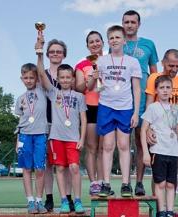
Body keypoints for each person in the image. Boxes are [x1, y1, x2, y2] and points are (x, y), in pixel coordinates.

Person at [88, 25, 141, 197]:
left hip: (125, 108)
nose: (114, 40)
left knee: (124, 145)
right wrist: (96, 80)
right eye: (111, 38)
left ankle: (126, 184)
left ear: (124, 41)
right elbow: (98, 89)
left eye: (118, 37)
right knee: (108, 146)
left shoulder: (132, 62)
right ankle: (106, 183)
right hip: (106, 106)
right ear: (108, 42)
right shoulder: (101, 62)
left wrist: (135, 113)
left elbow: (136, 89)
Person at [36, 37, 87, 214]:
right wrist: (39, 52)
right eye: (62, 78)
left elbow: (84, 118)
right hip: (52, 130)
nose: (65, 80)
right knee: (57, 166)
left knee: (73, 167)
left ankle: (76, 199)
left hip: (72, 134)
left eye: (68, 77)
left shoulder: (77, 95)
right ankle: (60, 200)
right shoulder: (53, 91)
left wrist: (82, 137)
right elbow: (41, 74)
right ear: (58, 78)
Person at [122, 10, 159, 196]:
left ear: (138, 24)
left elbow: (154, 74)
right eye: (126, 22)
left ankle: (138, 182)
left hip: (143, 100)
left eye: (133, 22)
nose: (129, 25)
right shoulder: (117, 43)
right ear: (122, 24)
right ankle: (125, 182)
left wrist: (157, 99)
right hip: (121, 101)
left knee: (140, 141)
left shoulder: (148, 44)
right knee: (122, 143)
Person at [141, 75, 178, 217]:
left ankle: (170, 211)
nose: (165, 90)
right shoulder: (153, 107)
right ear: (157, 91)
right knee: (160, 183)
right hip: (158, 150)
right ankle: (161, 211)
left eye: (168, 87)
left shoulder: (176, 109)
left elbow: (176, 131)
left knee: (171, 184)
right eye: (162, 88)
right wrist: (146, 153)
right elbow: (143, 130)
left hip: (173, 152)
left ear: (172, 90)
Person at [43, 39, 74, 212]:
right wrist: (39, 50)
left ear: (64, 54)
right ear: (48, 54)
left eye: (59, 51)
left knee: (67, 163)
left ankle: (68, 197)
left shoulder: (68, 73)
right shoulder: (43, 74)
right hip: (46, 121)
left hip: (65, 123)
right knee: (49, 162)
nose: (55, 54)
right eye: (52, 51)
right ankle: (49, 197)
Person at [15, 63, 48, 214]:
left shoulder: (42, 91)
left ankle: (39, 201)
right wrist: (17, 140)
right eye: (25, 78)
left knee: (40, 169)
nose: (28, 80)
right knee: (26, 169)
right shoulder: (20, 99)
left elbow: (41, 71)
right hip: (24, 136)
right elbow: (20, 120)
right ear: (21, 79)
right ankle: (30, 201)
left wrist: (39, 51)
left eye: (31, 78)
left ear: (36, 79)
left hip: (40, 134)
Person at [75, 30, 104, 196]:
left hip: (107, 107)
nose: (95, 44)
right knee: (92, 147)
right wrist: (91, 79)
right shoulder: (81, 65)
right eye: (91, 42)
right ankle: (93, 182)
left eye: (97, 41)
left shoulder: (110, 61)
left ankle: (102, 181)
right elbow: (79, 88)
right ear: (87, 45)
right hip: (90, 107)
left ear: (102, 43)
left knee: (104, 148)